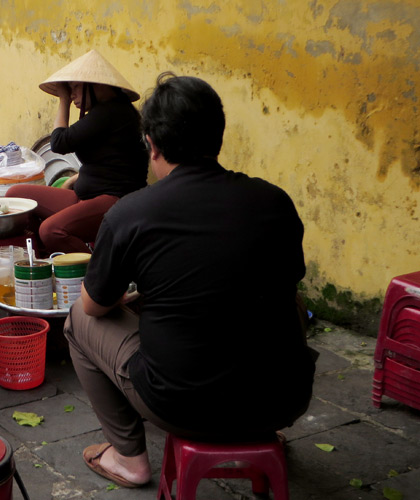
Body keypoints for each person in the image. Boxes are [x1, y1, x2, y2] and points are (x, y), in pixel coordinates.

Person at [65, 73, 316, 488]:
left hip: (181, 404)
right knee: (285, 295)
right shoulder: (275, 201)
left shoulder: (132, 212)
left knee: (78, 319)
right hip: (283, 399)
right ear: (217, 135)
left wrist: (138, 296)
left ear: (151, 143)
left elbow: (94, 306)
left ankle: (128, 457)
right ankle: (254, 427)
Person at [6, 49, 148, 254]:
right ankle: (49, 260)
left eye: (75, 88)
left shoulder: (111, 112)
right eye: (69, 90)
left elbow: (59, 142)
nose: (72, 95)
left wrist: (62, 100)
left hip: (114, 202)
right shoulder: (108, 112)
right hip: (86, 197)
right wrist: (74, 180)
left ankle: (97, 274)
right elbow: (109, 160)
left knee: (51, 230)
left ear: (96, 85)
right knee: (16, 196)